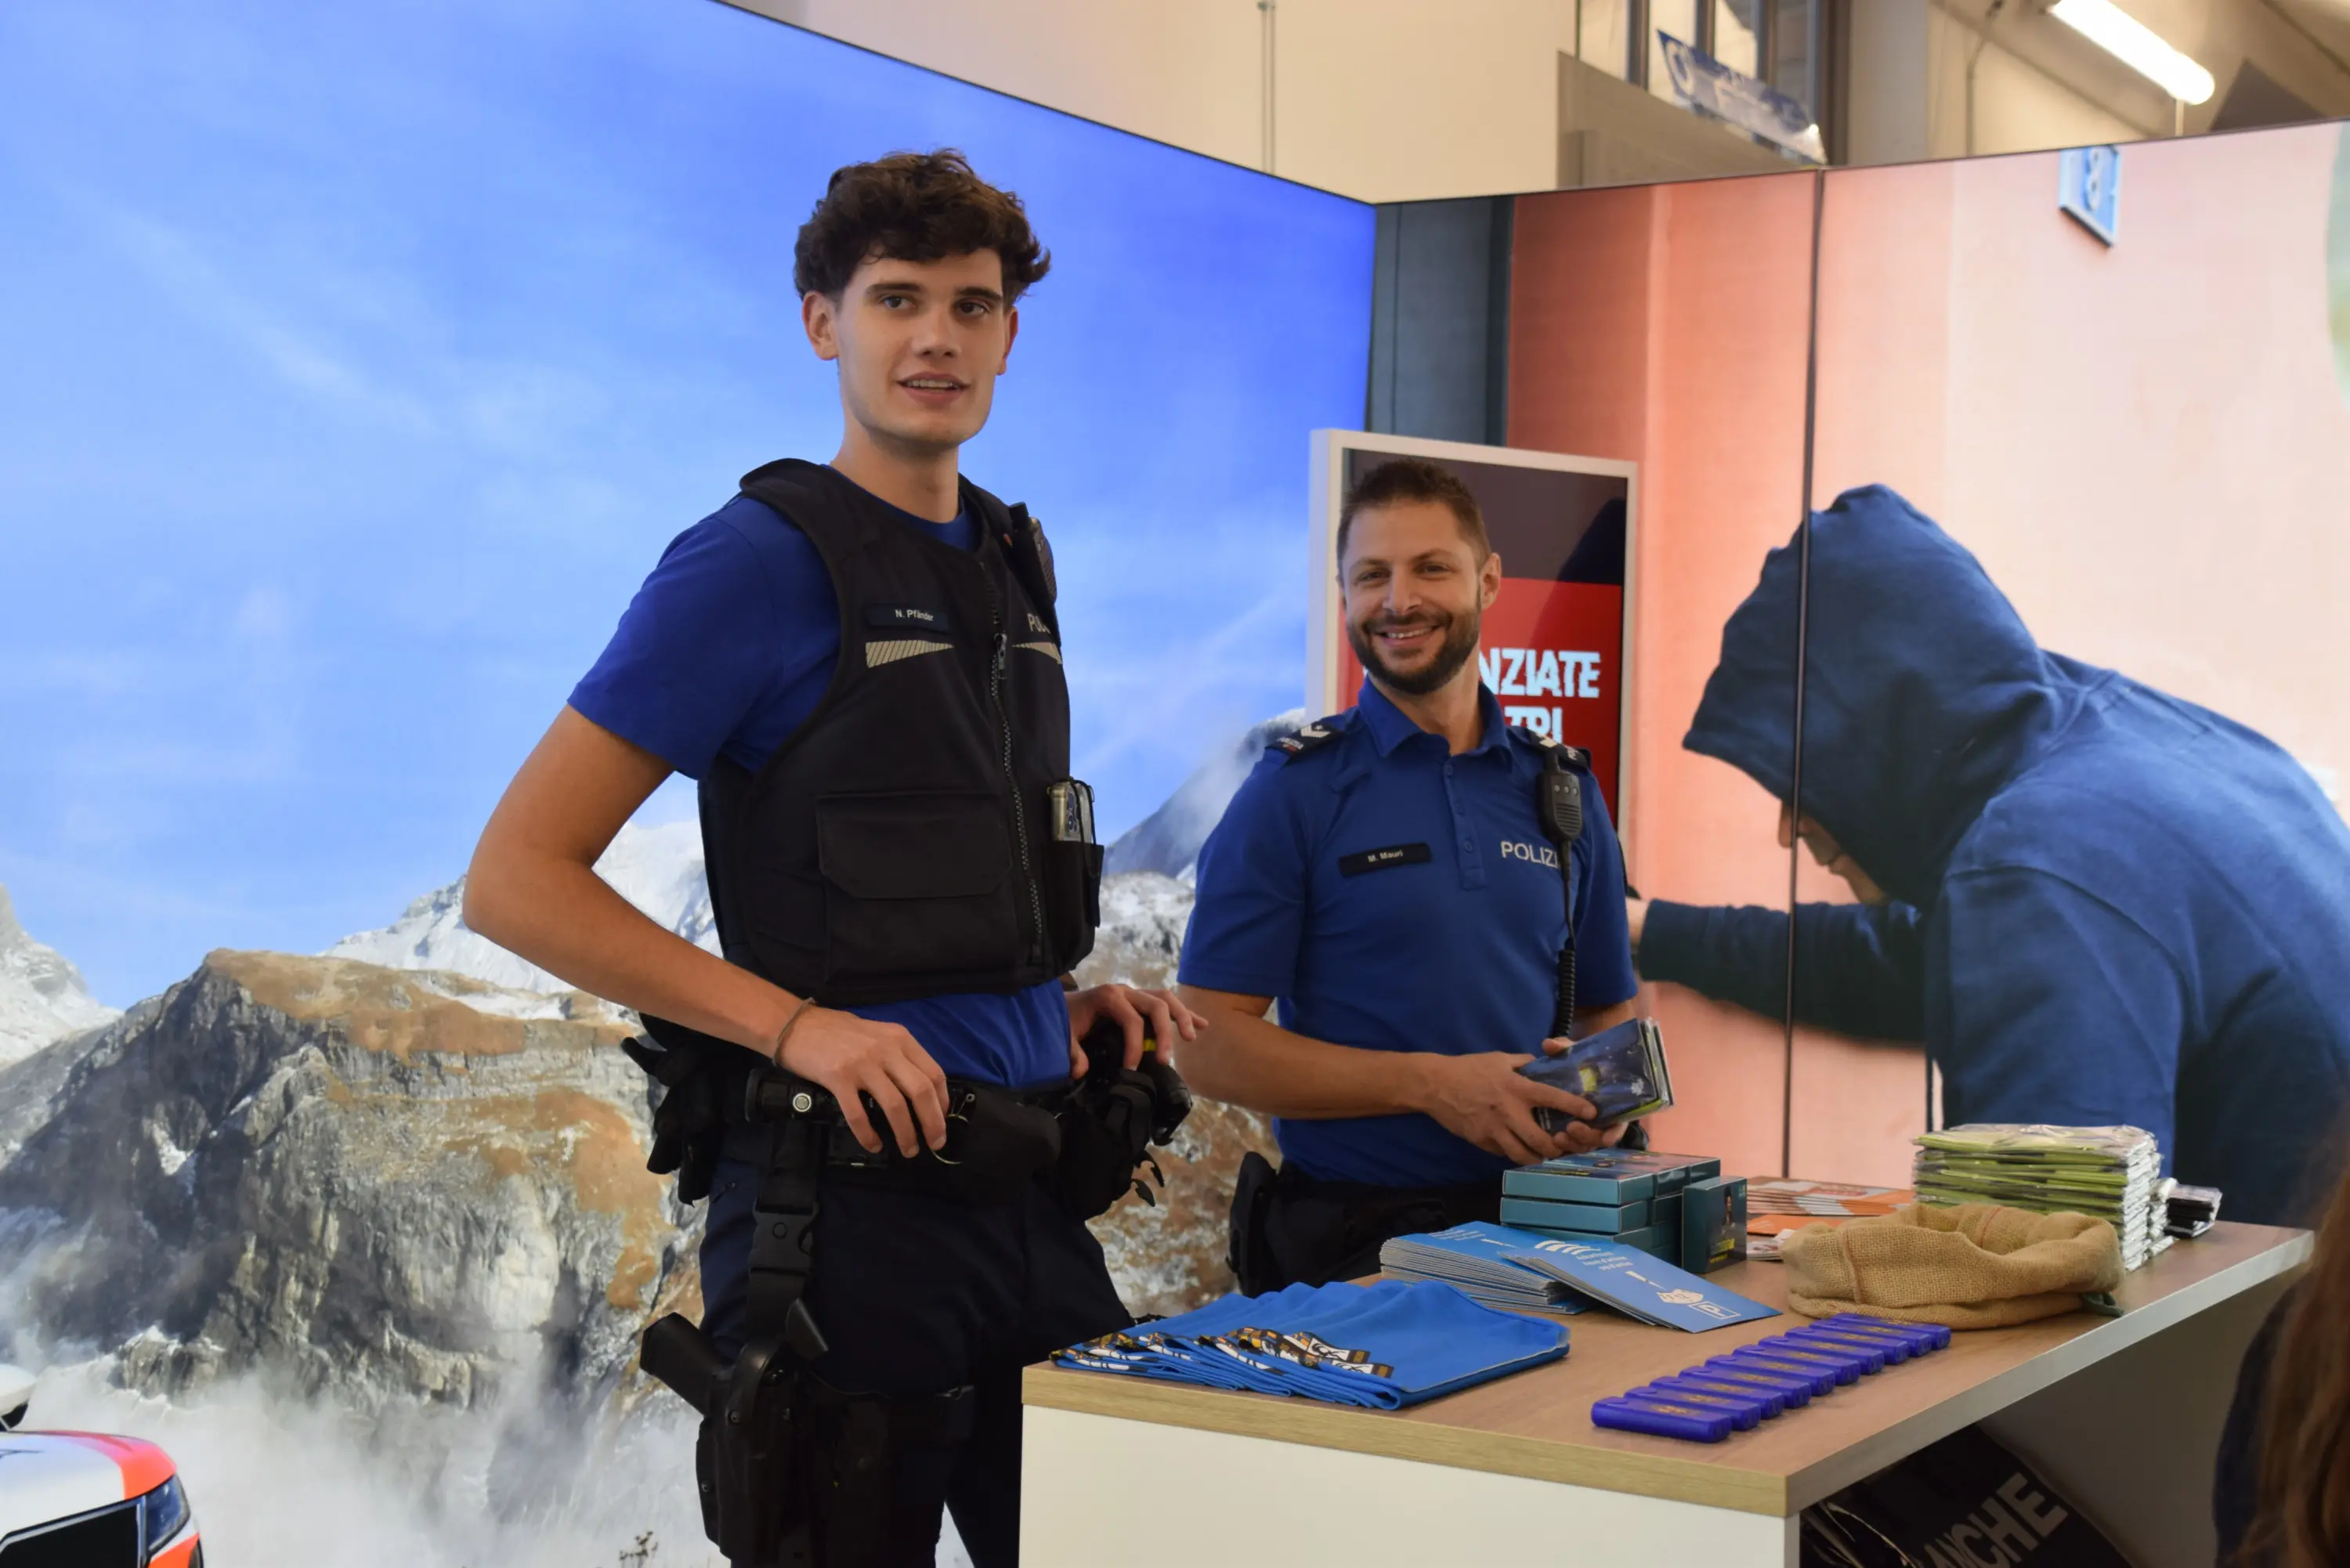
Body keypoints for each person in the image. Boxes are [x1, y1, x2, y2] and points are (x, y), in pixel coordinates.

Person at [462, 149, 1197, 1568]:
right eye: (896, 299)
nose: (937, 337)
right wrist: (798, 1029)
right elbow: (517, 874)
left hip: (1031, 1199)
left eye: (972, 307)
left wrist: (1057, 1001)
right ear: (823, 322)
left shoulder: (1015, 564)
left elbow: (946, 877)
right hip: (843, 1227)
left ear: (1009, 336)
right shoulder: (751, 562)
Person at [1630, 483, 2350, 1227]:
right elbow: (1927, 959)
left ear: (1880, 739)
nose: (1790, 829)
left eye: (1803, 778)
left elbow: (2051, 1247)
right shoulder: (2124, 748)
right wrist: (1654, 932)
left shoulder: (2040, 869)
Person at [1175, 457, 1639, 1293]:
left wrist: (1599, 1109)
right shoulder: (1295, 792)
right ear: (1344, 593)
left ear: (1489, 580)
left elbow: (1610, 1006)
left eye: (1431, 568)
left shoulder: (1562, 785)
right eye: (1372, 576)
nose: (1399, 600)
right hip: (1359, 1251)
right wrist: (1430, 1085)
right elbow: (1206, 1047)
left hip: (1551, 1231)